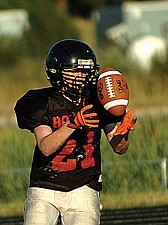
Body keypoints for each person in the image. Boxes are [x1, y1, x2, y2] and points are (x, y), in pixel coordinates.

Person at [14, 39, 136, 225]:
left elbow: (119, 148)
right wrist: (73, 123)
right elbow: (45, 147)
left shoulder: (97, 100)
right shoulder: (42, 102)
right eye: (74, 71)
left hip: (84, 187)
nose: (81, 76)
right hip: (46, 187)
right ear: (57, 72)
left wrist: (124, 132)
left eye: (84, 71)